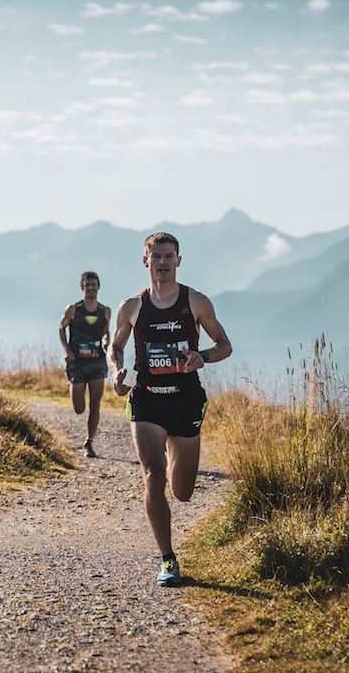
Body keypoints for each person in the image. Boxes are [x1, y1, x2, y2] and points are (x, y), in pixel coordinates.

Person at [107, 233, 232, 587]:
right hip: (147, 400)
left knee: (183, 491)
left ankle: (178, 460)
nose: (163, 262)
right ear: (145, 261)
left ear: (178, 260)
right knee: (154, 476)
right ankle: (168, 560)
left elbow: (225, 345)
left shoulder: (196, 302)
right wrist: (115, 371)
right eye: (156, 256)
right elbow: (114, 346)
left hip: (185, 400)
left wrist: (202, 356)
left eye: (169, 256)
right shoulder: (131, 307)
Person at [59, 271, 111, 458]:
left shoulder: (105, 311)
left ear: (98, 286)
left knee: (95, 403)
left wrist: (107, 342)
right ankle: (73, 385)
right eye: (87, 285)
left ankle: (89, 443)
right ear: (82, 287)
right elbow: (61, 328)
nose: (90, 288)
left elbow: (106, 332)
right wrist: (66, 350)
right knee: (79, 408)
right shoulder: (73, 309)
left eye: (93, 285)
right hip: (77, 363)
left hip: (97, 361)